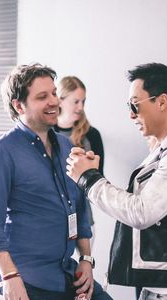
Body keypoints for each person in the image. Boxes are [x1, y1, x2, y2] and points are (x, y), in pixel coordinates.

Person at [66, 63, 167, 300]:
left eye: (135, 105)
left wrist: (88, 178)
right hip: (162, 287)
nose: (131, 114)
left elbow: (141, 211)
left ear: (162, 102)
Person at [0, 63, 111, 300]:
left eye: (54, 94)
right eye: (42, 97)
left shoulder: (68, 147)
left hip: (66, 273)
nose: (54, 102)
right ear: (19, 105)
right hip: (25, 278)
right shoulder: (1, 152)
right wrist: (9, 277)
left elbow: (79, 207)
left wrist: (86, 260)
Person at [55, 76, 105, 236]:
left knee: (85, 260)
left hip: (83, 216)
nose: (80, 107)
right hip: (52, 216)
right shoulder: (45, 133)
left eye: (83, 101)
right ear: (60, 100)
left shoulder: (92, 135)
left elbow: (98, 178)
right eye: (76, 101)